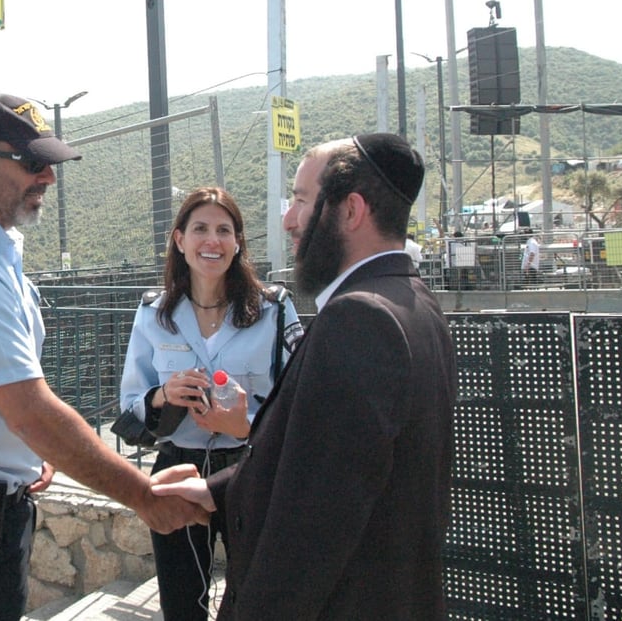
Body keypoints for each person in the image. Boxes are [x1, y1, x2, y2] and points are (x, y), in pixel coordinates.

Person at [0, 92, 206, 621]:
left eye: (50, 164)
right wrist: (143, 495)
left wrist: (31, 448)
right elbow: (30, 411)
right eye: (32, 164)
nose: (48, 178)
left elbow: (5, 392)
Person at [154, 134, 457, 619]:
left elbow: (314, 526)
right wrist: (214, 492)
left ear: (350, 210)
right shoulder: (413, 302)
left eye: (300, 200)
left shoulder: (359, 319)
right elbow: (320, 464)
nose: (288, 219)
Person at [119, 187, 301, 620]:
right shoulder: (153, 314)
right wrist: (163, 396)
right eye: (200, 229)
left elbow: (299, 404)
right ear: (179, 240)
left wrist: (245, 424)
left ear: (238, 242)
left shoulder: (274, 311)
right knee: (182, 600)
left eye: (224, 230)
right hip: (177, 469)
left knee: (257, 595)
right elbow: (128, 406)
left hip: (250, 466)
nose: (212, 241)